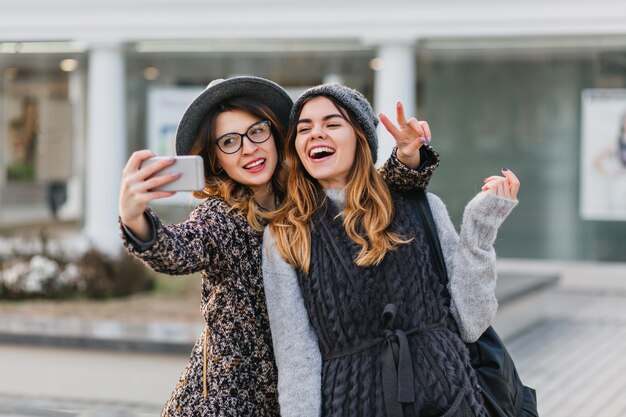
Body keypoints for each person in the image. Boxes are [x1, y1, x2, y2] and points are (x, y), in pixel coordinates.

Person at [118, 76, 440, 417]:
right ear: (216, 160)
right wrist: (133, 216)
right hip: (227, 403)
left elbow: (367, 190)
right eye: (229, 142)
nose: (248, 149)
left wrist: (408, 157)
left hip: (307, 390)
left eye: (256, 132)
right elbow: (176, 251)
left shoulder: (307, 196)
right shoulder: (220, 216)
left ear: (274, 134)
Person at [263, 84, 520, 417]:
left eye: (332, 123)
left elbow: (471, 322)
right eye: (304, 129)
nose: (316, 134)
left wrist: (480, 228)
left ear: (360, 137)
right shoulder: (285, 234)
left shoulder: (421, 206)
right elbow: (297, 358)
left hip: (449, 400)